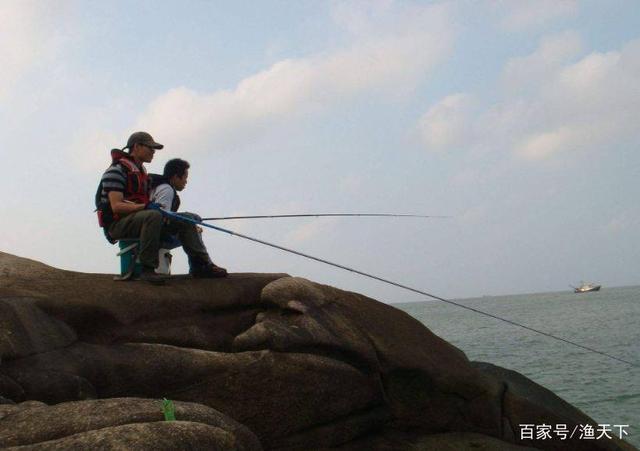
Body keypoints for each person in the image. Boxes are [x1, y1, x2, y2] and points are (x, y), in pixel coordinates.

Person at [97, 132, 227, 283]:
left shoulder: (142, 172)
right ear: (137, 147)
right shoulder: (115, 171)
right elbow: (116, 207)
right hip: (117, 225)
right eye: (150, 148)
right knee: (153, 215)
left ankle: (201, 265)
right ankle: (147, 268)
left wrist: (157, 211)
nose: (153, 152)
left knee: (187, 219)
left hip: (140, 218)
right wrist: (146, 207)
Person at [150, 158, 227, 276]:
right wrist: (191, 220)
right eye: (185, 177)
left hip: (151, 232)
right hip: (154, 237)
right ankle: (201, 266)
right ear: (176, 177)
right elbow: (162, 217)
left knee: (192, 226)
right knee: (191, 224)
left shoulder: (157, 186)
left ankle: (201, 265)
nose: (186, 182)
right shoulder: (167, 189)